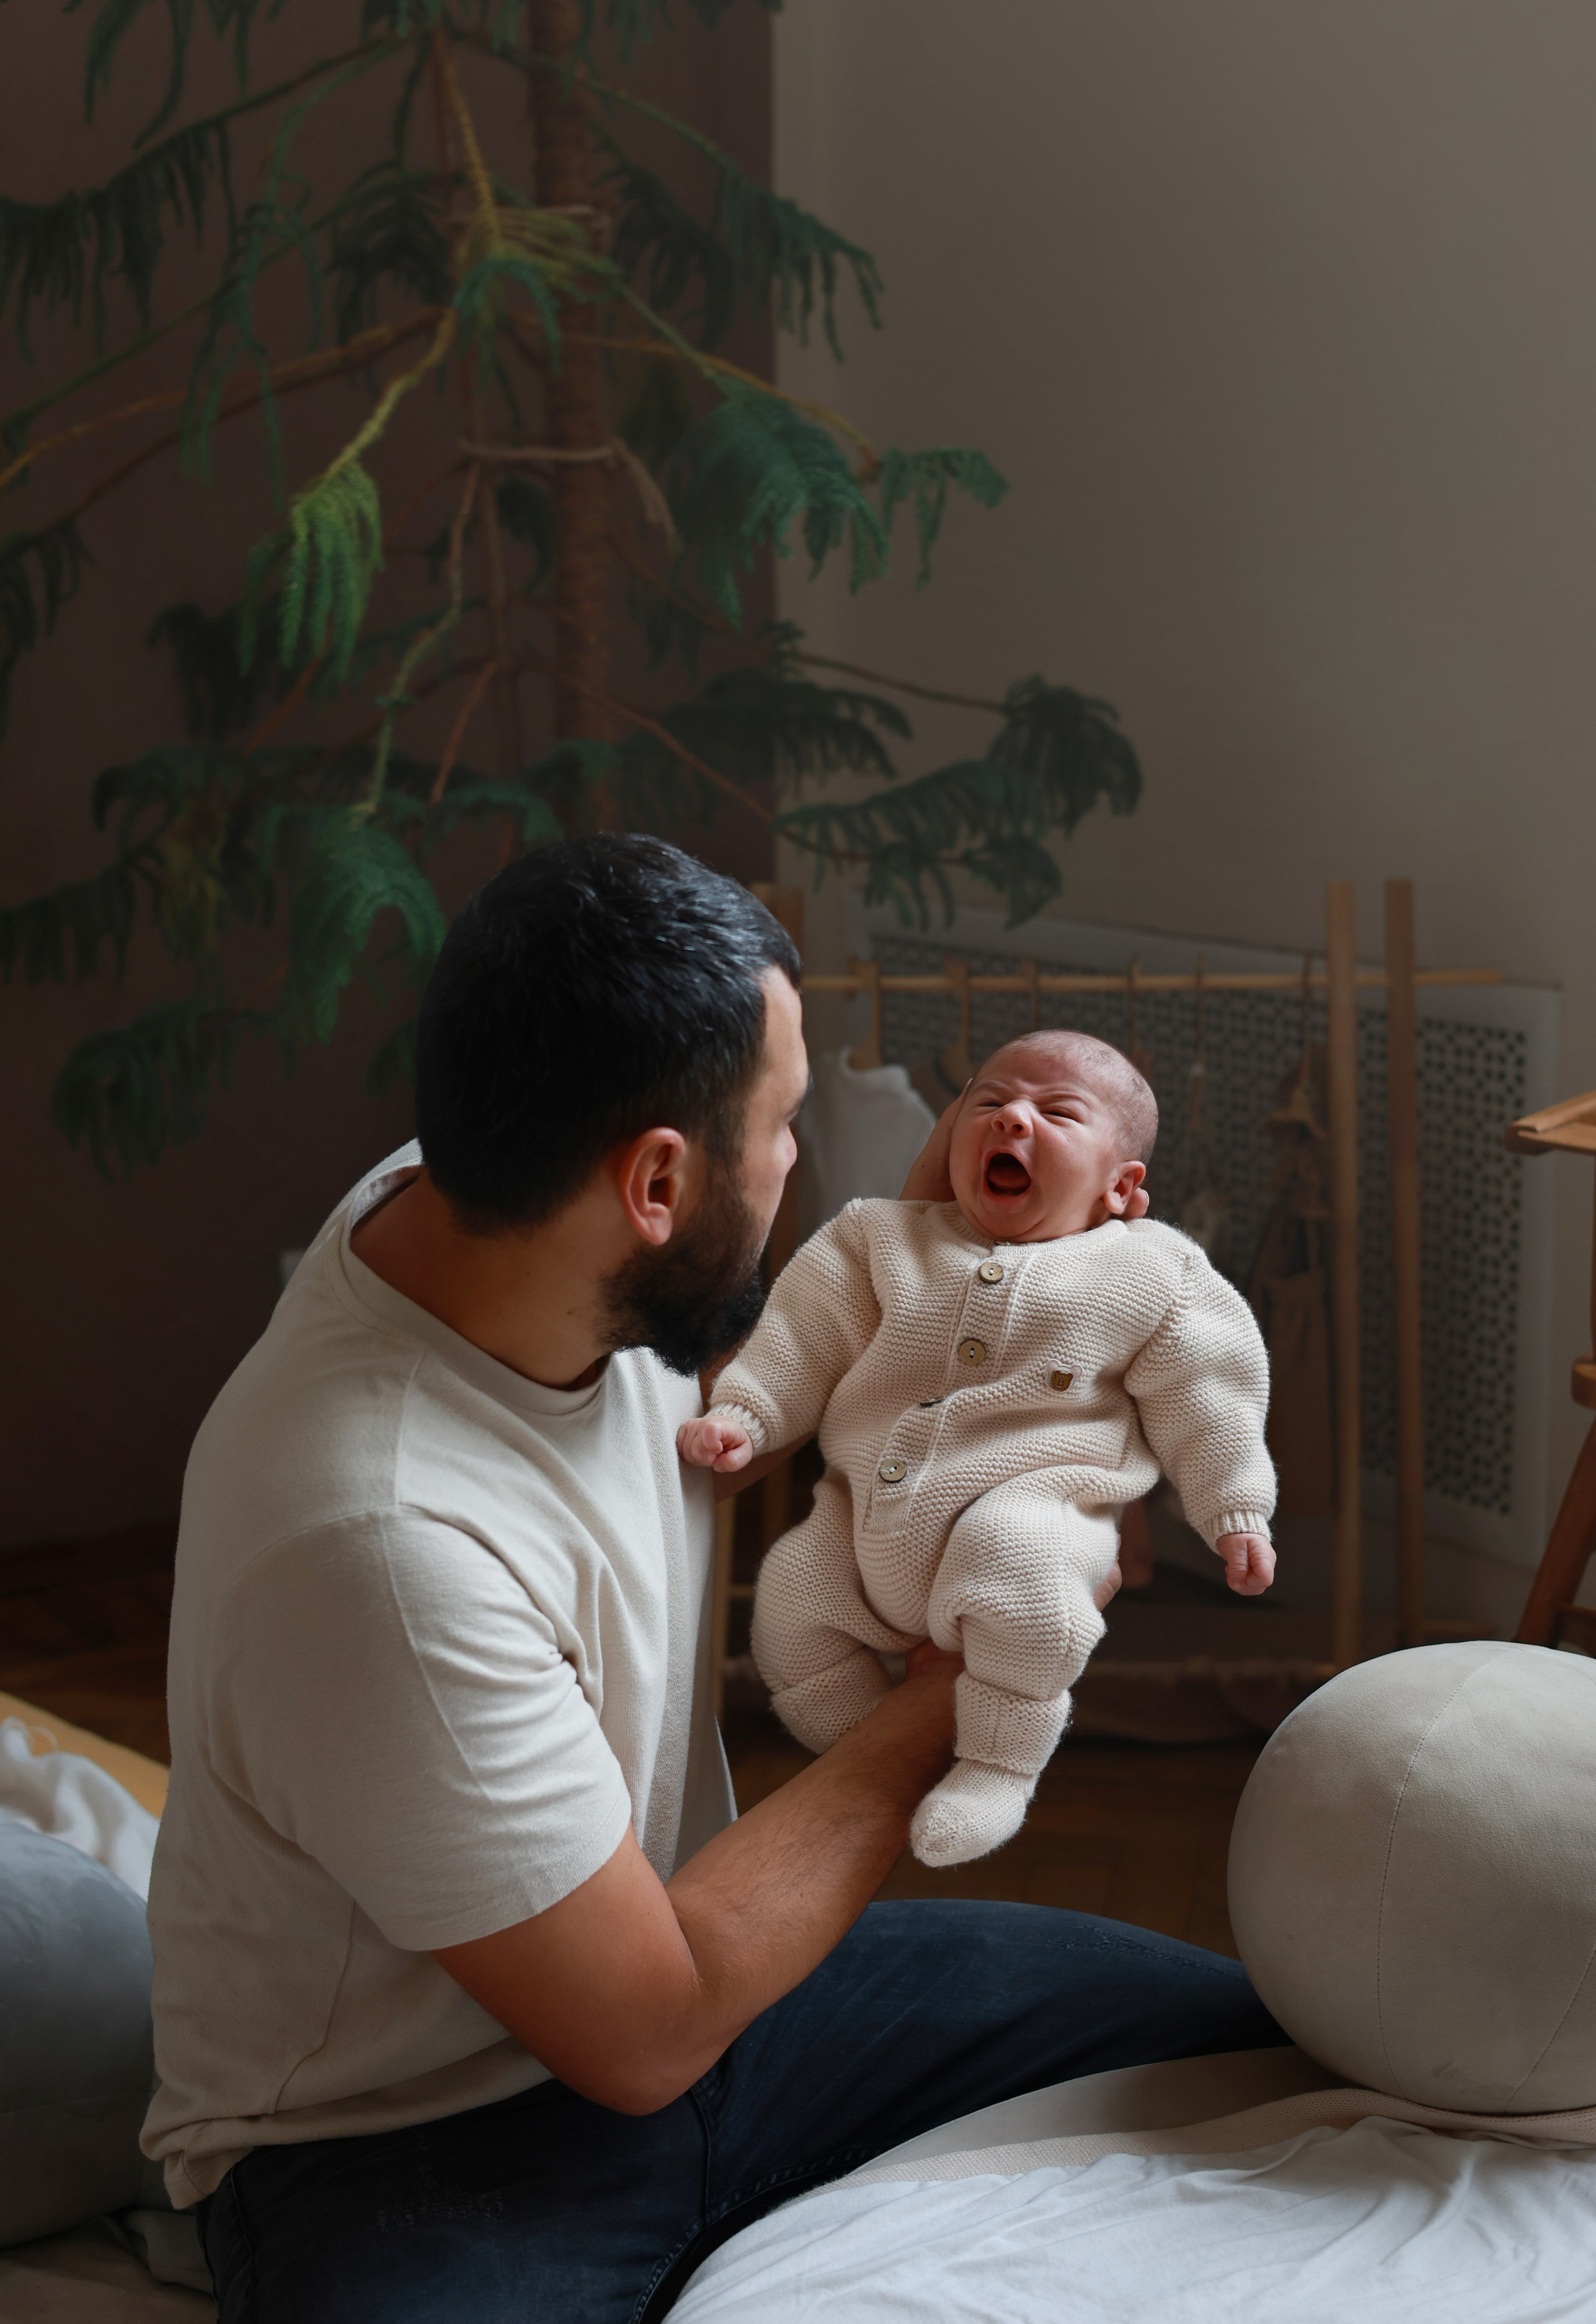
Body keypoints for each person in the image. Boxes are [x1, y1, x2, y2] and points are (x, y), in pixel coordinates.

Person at [142, 837, 1286, 2322]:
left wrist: (1014, 1444)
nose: (803, 1163)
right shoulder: (380, 1545)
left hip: (713, 1991)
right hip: (404, 2141)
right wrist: (959, 1688)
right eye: (784, 1125)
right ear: (659, 1182)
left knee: (1271, 2036)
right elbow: (643, 2026)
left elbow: (826, 1350)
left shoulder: (488, 1204)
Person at [681, 1030, 1276, 1869]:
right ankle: (866, 1756)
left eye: (1057, 1114)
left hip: (1032, 1507)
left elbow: (1212, 1393)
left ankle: (998, 1766)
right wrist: (746, 1415)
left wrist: (1234, 1509)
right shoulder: (877, 1238)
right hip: (861, 1520)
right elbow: (799, 1341)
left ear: (1123, 1186)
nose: (1013, 1123)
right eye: (988, 1105)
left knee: (1027, 1577)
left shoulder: (1152, 1271)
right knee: (787, 1596)